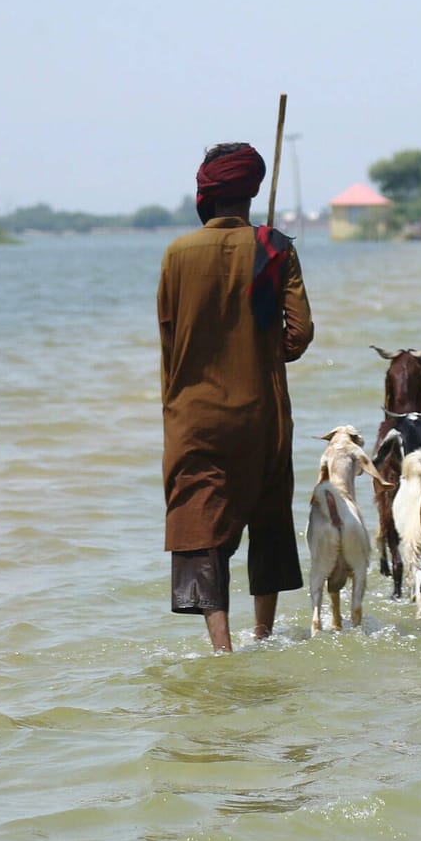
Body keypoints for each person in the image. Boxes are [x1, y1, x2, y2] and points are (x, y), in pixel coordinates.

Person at [158, 142, 314, 652]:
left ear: (206, 193)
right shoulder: (273, 248)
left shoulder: (176, 253)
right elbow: (301, 334)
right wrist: (267, 347)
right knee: (267, 516)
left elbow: (170, 334)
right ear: (250, 192)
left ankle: (221, 648)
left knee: (200, 521)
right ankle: (264, 634)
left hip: (193, 416)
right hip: (261, 414)